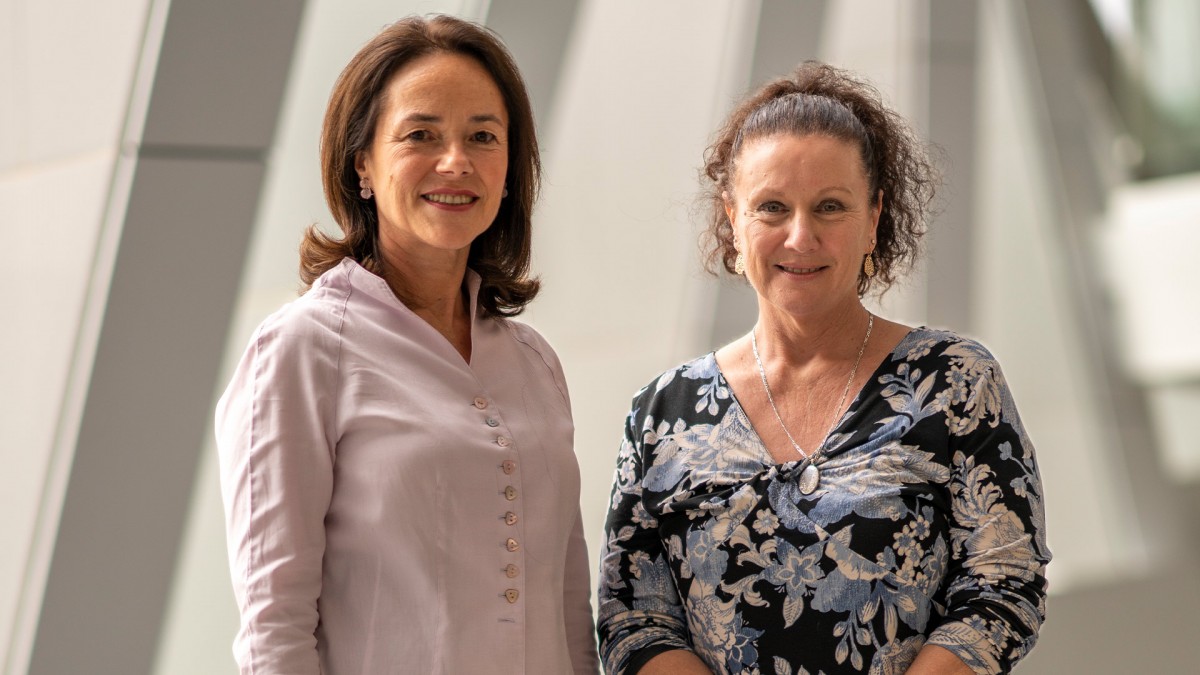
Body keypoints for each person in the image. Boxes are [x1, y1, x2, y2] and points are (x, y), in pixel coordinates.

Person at [596, 62, 1050, 675]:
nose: (800, 236)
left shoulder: (955, 380)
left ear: (873, 218)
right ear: (733, 222)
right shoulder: (661, 413)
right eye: (772, 207)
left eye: (830, 207)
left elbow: (1004, 584)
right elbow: (633, 619)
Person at [215, 15, 598, 674]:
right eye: (421, 134)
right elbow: (273, 632)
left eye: (483, 136)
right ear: (362, 162)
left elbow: (569, 611)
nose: (457, 161)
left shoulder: (534, 361)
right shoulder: (302, 351)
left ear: (509, 170)